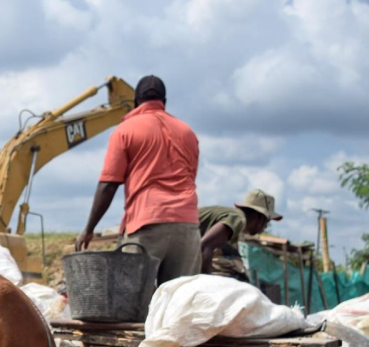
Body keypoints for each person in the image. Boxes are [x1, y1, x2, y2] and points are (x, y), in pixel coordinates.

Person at [76, 75, 200, 284]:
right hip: (187, 226)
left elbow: (108, 184)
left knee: (132, 301)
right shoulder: (188, 133)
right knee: (180, 304)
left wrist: (88, 230)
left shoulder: (125, 130)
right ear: (164, 102)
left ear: (135, 102)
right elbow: (191, 177)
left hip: (147, 224)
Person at [199, 188, 282, 273]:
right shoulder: (238, 219)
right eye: (267, 221)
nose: (265, 226)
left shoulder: (234, 224)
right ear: (260, 217)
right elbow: (205, 245)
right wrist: (204, 280)